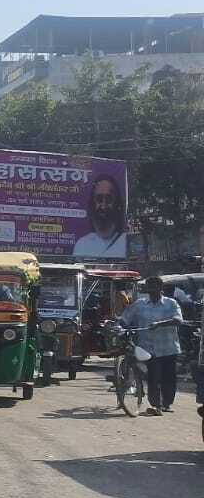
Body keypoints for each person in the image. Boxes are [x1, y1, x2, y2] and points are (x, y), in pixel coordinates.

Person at [122, 276, 184, 415]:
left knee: (169, 377)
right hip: (148, 348)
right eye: (149, 287)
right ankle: (156, 405)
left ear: (160, 288)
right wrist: (122, 326)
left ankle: (167, 404)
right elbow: (125, 319)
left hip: (168, 348)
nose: (151, 290)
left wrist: (160, 324)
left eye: (154, 287)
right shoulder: (139, 304)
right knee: (153, 377)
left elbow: (178, 320)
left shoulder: (171, 303)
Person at [73, 175, 127, 258]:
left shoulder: (127, 243)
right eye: (99, 199)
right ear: (92, 204)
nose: (103, 206)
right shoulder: (82, 245)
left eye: (109, 199)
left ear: (117, 203)